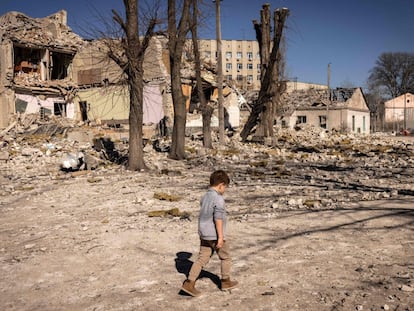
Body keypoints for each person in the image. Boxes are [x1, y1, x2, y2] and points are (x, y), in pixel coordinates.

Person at [181, 170, 238, 297]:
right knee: (225, 257)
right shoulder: (218, 199)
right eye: (225, 188)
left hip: (203, 234)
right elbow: (218, 219)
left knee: (201, 259)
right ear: (221, 185)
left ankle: (189, 283)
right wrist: (221, 238)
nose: (224, 190)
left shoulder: (205, 196)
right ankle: (225, 281)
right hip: (215, 235)